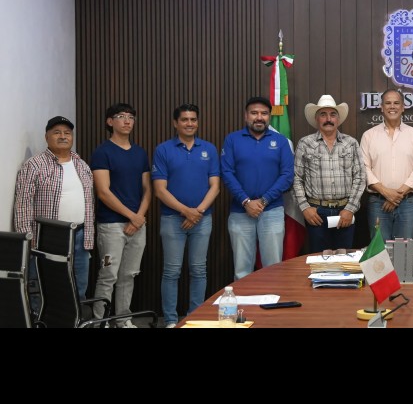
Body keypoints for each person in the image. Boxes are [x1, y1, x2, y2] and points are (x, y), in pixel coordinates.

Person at [14, 116, 95, 310]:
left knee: (78, 287)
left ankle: (73, 320)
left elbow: (90, 202)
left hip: (80, 235)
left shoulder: (82, 165)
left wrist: (89, 234)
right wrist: (27, 238)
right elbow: (23, 204)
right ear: (46, 137)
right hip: (48, 237)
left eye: (67, 133)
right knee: (44, 288)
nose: (63, 136)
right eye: (57, 132)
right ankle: (43, 321)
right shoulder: (34, 165)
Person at [152, 104, 220, 328]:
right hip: (172, 219)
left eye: (193, 119)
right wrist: (186, 211)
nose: (189, 123)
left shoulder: (209, 149)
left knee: (199, 270)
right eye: (184, 120)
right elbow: (160, 190)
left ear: (197, 122)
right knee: (172, 271)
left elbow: (215, 186)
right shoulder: (163, 150)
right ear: (175, 123)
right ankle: (171, 320)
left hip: (202, 219)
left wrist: (197, 212)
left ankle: (194, 317)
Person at [90, 103, 151, 328]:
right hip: (111, 225)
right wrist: (132, 216)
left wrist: (139, 217)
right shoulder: (102, 152)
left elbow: (148, 189)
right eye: (121, 116)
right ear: (110, 121)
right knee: (108, 276)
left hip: (137, 225)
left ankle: (123, 319)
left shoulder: (140, 152)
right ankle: (101, 322)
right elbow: (103, 192)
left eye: (131, 117)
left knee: (129, 275)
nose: (127, 121)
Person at [221, 96, 294, 280]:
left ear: (269, 116)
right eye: (254, 113)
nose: (259, 117)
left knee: (273, 268)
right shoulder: (232, 140)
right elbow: (227, 173)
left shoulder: (281, 141)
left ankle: (271, 299)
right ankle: (244, 300)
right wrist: (246, 201)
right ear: (246, 116)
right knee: (242, 270)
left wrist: (263, 200)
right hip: (240, 211)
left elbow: (287, 175)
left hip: (272, 211)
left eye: (264, 113)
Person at [293, 95, 366, 252]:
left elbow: (360, 177)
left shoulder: (351, 143)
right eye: (323, 114)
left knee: (344, 258)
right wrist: (305, 208)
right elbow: (296, 178)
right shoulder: (305, 143)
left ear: (338, 119)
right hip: (316, 213)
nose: (328, 119)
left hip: (345, 211)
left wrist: (350, 209)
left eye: (333, 115)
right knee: (319, 260)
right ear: (316, 119)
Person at [360, 88, 413, 242]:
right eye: (388, 103)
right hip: (377, 203)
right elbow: (364, 168)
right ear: (381, 107)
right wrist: (386, 193)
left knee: (403, 250)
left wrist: (396, 196)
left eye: (396, 103)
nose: (392, 106)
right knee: (379, 251)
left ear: (403, 107)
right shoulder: (369, 136)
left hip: (407, 203)